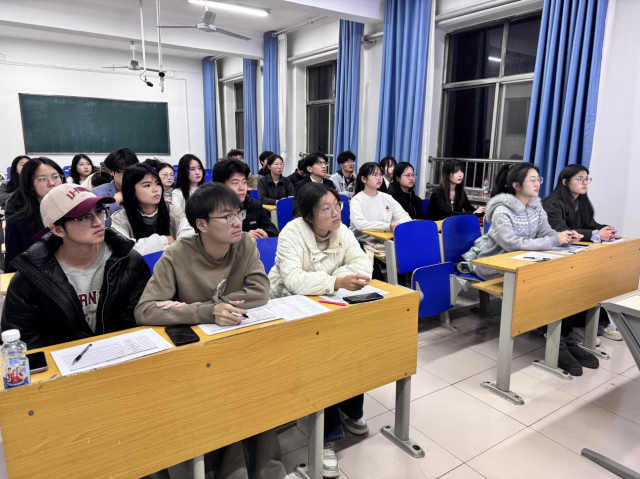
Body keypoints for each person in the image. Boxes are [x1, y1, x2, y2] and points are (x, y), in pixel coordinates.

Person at [134, 183, 286, 479]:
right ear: (201, 224)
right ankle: (235, 470)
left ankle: (267, 470)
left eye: (238, 213)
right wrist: (207, 312)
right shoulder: (176, 254)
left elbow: (261, 291)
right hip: (197, 352)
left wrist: (206, 306)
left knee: (261, 385)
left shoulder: (244, 243)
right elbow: (145, 310)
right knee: (228, 391)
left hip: (236, 340)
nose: (237, 222)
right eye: (227, 217)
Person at [268, 182, 373, 478]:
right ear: (309, 216)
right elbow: (294, 281)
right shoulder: (292, 233)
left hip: (328, 306)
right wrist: (336, 281)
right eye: (325, 209)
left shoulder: (343, 231)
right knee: (323, 361)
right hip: (288, 310)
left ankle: (350, 410)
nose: (335, 212)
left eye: (336, 205)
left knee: (353, 347)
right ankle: (327, 437)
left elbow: (363, 266)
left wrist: (330, 280)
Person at [474, 163, 597, 377]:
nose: (538, 183)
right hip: (494, 265)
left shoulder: (536, 207)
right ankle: (556, 344)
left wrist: (565, 236)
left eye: (538, 179)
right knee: (548, 283)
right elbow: (512, 244)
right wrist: (553, 240)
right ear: (516, 185)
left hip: (523, 261)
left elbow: (547, 232)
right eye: (532, 180)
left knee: (567, 277)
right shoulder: (502, 211)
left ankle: (566, 337)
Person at [1, 184, 150, 349]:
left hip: (122, 352)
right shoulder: (31, 277)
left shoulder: (128, 261)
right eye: (84, 217)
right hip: (61, 360)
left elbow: (137, 320)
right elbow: (24, 340)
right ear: (57, 229)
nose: (98, 222)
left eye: (99, 211)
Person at [542, 164, 622, 342]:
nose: (585, 183)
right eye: (580, 179)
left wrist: (605, 229)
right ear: (565, 182)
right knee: (578, 283)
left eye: (587, 179)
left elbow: (590, 224)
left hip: (575, 254)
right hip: (556, 256)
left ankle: (597, 323)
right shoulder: (553, 203)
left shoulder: (582, 202)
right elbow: (562, 231)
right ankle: (569, 328)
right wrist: (596, 234)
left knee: (594, 280)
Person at [111, 164, 194, 256]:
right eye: (147, 185)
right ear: (132, 190)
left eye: (158, 184)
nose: (156, 189)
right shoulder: (120, 219)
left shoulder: (173, 212)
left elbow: (189, 240)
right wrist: (164, 240)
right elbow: (125, 250)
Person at [4, 157, 64, 272]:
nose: (52, 183)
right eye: (42, 179)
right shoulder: (17, 223)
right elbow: (12, 270)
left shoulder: (78, 213)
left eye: (56, 177)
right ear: (30, 185)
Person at [213, 159, 278, 238]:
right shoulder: (212, 210)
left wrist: (265, 234)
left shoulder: (254, 205)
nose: (242, 188)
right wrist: (245, 237)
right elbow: (215, 238)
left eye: (244, 182)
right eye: (235, 183)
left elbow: (273, 230)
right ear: (221, 186)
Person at [350, 162, 412, 241]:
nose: (379, 178)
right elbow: (360, 224)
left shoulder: (387, 198)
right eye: (375, 175)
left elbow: (405, 217)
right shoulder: (357, 200)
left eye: (380, 174)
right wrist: (389, 226)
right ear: (364, 179)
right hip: (361, 242)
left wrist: (399, 225)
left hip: (383, 240)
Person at [91, 147, 139, 216]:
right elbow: (99, 220)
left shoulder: (142, 190)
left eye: (132, 171)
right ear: (111, 172)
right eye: (123, 172)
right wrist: (115, 201)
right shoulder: (97, 193)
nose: (129, 175)